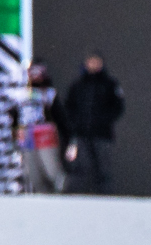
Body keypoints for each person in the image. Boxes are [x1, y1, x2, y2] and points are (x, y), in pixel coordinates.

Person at [58, 53, 126, 194]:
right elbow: (69, 107)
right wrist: (75, 125)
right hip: (81, 135)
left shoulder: (109, 84)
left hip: (102, 134)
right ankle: (76, 198)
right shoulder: (78, 85)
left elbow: (118, 107)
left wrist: (103, 120)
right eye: (91, 61)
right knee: (80, 167)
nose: (93, 65)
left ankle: (105, 198)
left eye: (96, 62)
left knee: (103, 169)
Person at [14, 63, 65, 194]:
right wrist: (15, 135)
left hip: (45, 135)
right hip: (27, 136)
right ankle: (43, 199)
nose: (35, 77)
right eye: (33, 74)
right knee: (33, 172)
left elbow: (59, 117)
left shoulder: (49, 93)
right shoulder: (20, 95)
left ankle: (60, 195)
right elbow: (15, 117)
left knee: (51, 170)